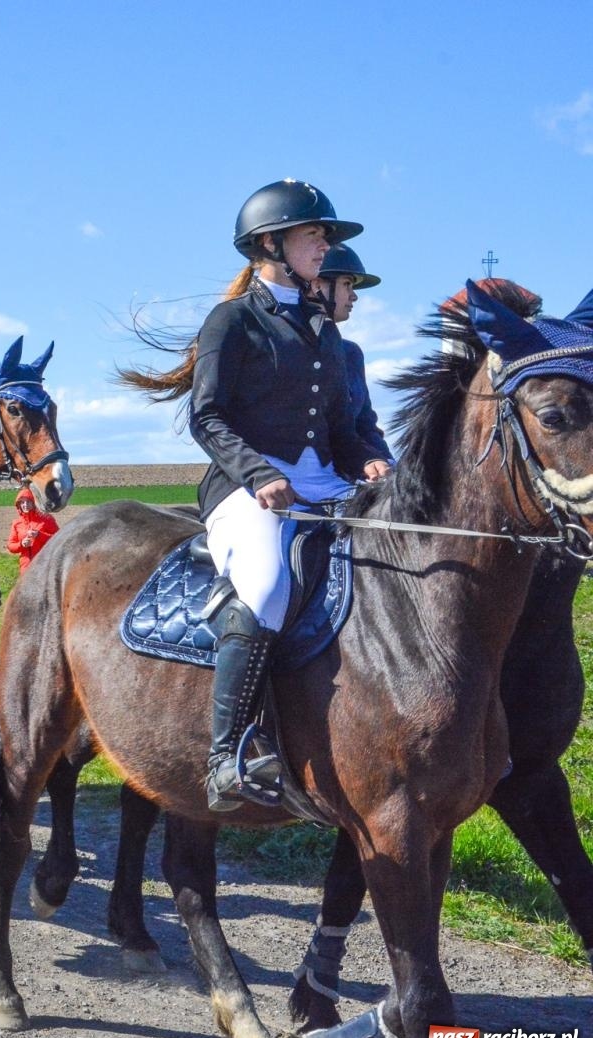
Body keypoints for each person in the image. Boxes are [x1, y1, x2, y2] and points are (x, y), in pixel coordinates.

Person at [119, 179, 389, 812]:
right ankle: (227, 753)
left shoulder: (324, 331)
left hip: (326, 484)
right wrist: (259, 474)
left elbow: (344, 432)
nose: (324, 245)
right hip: (246, 487)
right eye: (313, 234)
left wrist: (371, 462)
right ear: (271, 244)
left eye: (324, 236)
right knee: (266, 586)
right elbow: (207, 415)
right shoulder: (233, 320)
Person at [315, 243, 394, 464]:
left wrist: (392, 466)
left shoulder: (351, 353)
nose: (354, 296)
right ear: (317, 285)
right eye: (347, 284)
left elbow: (365, 426)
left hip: (351, 468)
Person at [5, 486, 59, 571]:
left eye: (28, 502)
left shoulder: (46, 519)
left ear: (34, 503)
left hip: (45, 567)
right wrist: (21, 544)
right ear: (19, 505)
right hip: (25, 568)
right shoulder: (16, 523)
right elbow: (10, 545)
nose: (25, 505)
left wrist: (39, 535)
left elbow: (58, 539)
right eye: (22, 502)